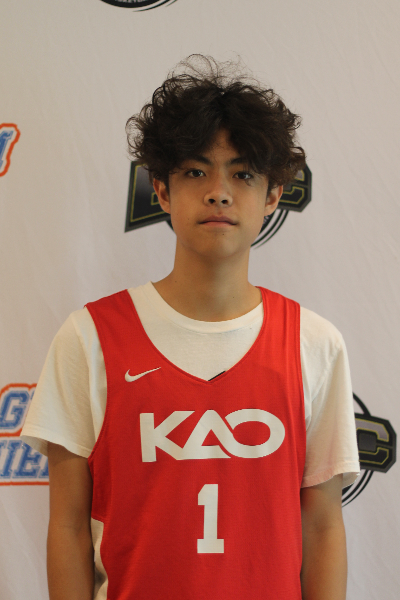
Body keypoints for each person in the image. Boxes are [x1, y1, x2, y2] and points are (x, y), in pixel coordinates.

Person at [21, 55, 360, 600]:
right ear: (161, 190)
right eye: (196, 172)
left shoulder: (314, 344)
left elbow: (322, 526)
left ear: (273, 195)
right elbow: (66, 527)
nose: (218, 191)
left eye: (242, 174)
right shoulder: (89, 338)